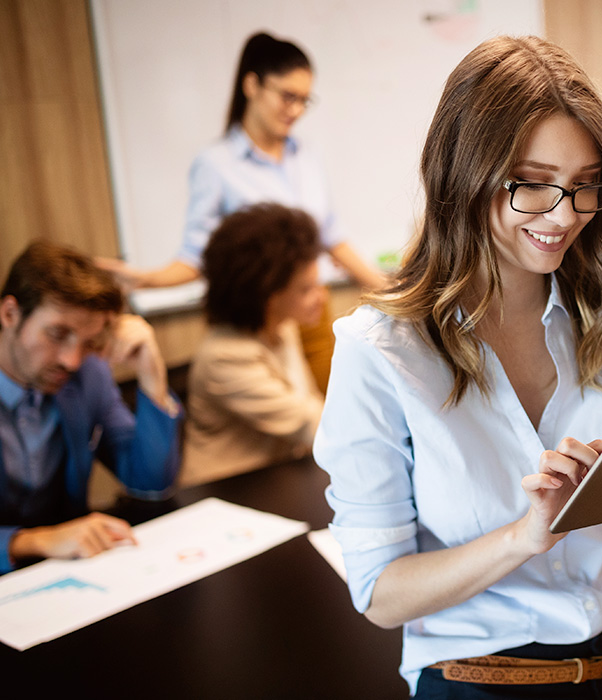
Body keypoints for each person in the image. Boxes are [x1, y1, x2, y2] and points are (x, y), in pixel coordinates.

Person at [314, 36, 602, 698]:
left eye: (583, 187)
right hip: (484, 681)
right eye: (532, 184)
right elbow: (381, 593)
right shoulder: (381, 350)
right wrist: (523, 537)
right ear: (462, 173)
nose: (564, 215)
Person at [99, 31, 385, 391]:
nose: (295, 110)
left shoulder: (307, 156)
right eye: (287, 96)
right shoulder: (216, 165)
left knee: (331, 411)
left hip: (312, 311)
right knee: (292, 424)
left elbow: (332, 237)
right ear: (252, 85)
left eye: (303, 100)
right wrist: (143, 279)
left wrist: (391, 289)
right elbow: (197, 256)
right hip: (259, 323)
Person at [0, 242, 181, 574]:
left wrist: (151, 374)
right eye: (58, 334)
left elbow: (149, 481)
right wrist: (33, 541)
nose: (71, 360)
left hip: (70, 573)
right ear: (10, 314)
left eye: (87, 342)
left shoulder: (89, 373)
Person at [180, 204, 326, 486]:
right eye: (306, 289)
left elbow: (312, 405)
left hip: (279, 481)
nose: (321, 297)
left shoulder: (284, 328)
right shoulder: (224, 357)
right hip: (228, 493)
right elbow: (306, 422)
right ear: (267, 295)